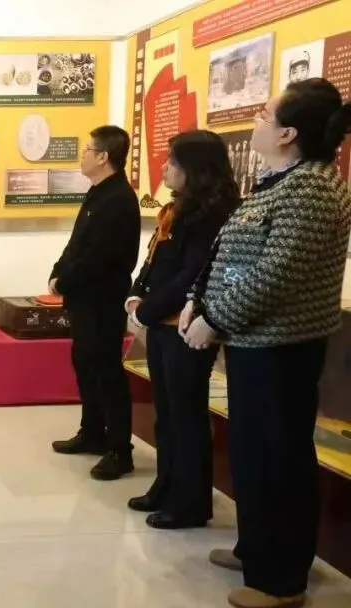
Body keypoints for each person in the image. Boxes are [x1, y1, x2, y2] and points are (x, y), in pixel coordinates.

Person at [181, 78, 351, 608]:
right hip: (252, 342)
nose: (255, 121)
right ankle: (257, 549)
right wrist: (197, 299)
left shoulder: (313, 189)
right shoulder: (278, 182)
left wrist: (215, 319)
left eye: (264, 115)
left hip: (282, 348)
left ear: (288, 133)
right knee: (253, 453)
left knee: (280, 458)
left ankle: (282, 580)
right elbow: (227, 252)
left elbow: (276, 274)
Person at [124, 131, 239, 530]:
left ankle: (190, 501)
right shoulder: (177, 208)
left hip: (186, 327)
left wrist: (148, 311)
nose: (165, 168)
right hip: (160, 323)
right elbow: (154, 263)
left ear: (196, 167)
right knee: (167, 413)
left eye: (173, 161)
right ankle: (166, 485)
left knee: (186, 415)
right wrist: (136, 298)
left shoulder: (213, 215)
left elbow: (192, 275)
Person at [49, 125, 141, 481]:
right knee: (85, 363)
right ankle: (92, 432)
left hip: (102, 298)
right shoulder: (98, 193)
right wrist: (57, 271)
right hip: (83, 298)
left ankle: (119, 449)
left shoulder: (119, 199)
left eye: (87, 150)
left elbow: (98, 257)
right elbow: (77, 244)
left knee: (106, 371)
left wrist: (64, 281)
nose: (82, 155)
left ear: (103, 157)